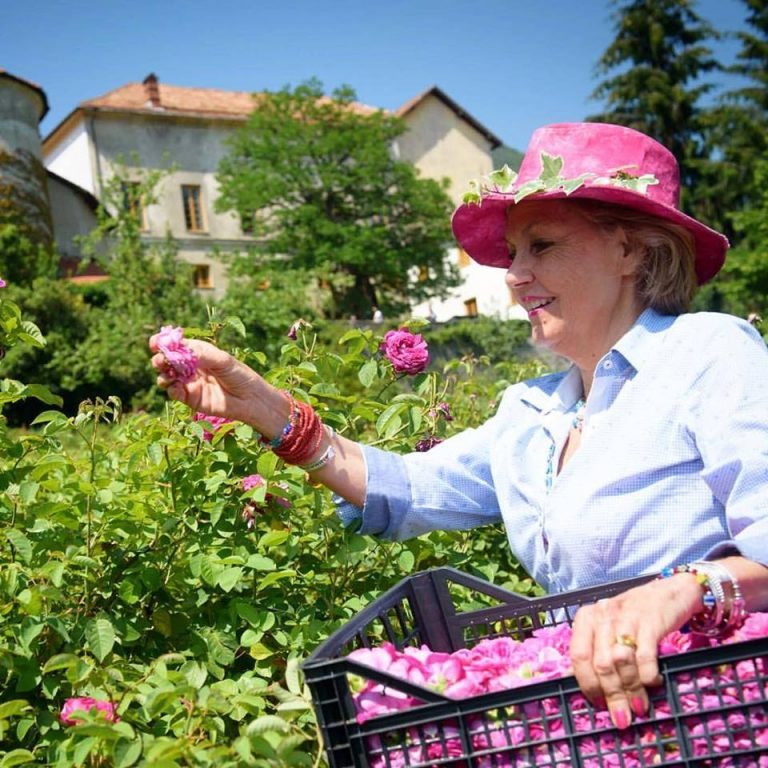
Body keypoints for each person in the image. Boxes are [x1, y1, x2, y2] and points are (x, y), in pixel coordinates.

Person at [150, 122, 768, 732]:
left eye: (542, 246)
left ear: (630, 250)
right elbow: (409, 488)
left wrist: (685, 590)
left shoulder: (707, 354)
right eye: (514, 252)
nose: (514, 275)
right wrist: (264, 407)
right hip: (592, 725)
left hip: (716, 711)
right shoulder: (533, 410)